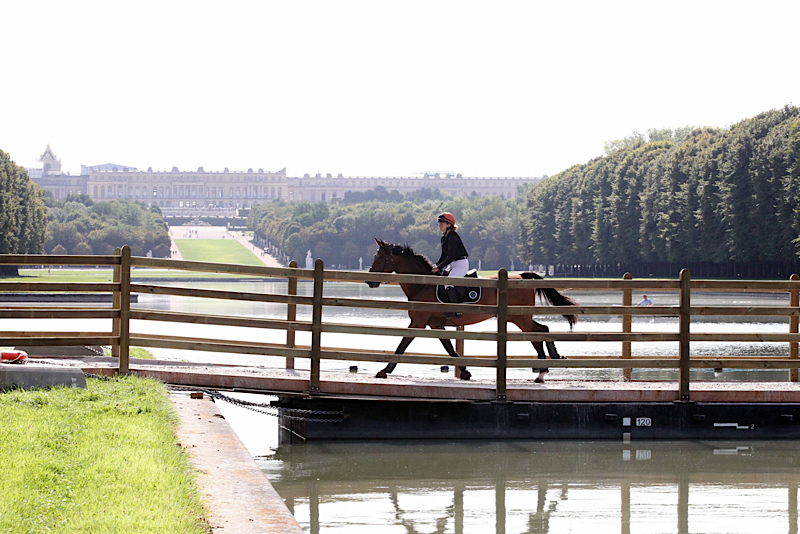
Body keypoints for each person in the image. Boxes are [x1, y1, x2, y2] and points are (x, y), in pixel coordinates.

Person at [431, 212, 469, 318]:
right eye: (439, 223)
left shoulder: (453, 237)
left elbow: (451, 256)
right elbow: (444, 256)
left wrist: (439, 267)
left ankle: (456, 310)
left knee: (448, 283)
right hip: (452, 264)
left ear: (449, 224)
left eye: (442, 223)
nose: (439, 225)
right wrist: (435, 265)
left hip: (461, 264)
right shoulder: (444, 238)